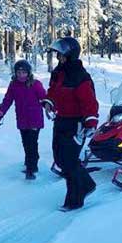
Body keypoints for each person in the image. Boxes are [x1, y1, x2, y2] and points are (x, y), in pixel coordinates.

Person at [44, 37, 99, 211]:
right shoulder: (58, 73)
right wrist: (49, 102)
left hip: (77, 123)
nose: (58, 58)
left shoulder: (80, 77)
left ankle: (75, 198)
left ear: (69, 55)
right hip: (61, 120)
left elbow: (89, 102)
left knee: (69, 160)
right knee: (59, 158)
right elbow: (53, 91)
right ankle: (87, 183)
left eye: (60, 55)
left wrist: (90, 122)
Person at [0, 60, 47, 180]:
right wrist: (0, 114)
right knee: (26, 143)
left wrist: (51, 108)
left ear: (28, 73)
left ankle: (31, 168)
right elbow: (7, 100)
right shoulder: (14, 85)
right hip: (22, 119)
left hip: (35, 120)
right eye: (18, 72)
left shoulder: (36, 84)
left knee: (31, 143)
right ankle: (31, 162)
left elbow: (44, 99)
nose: (21, 75)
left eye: (24, 72)